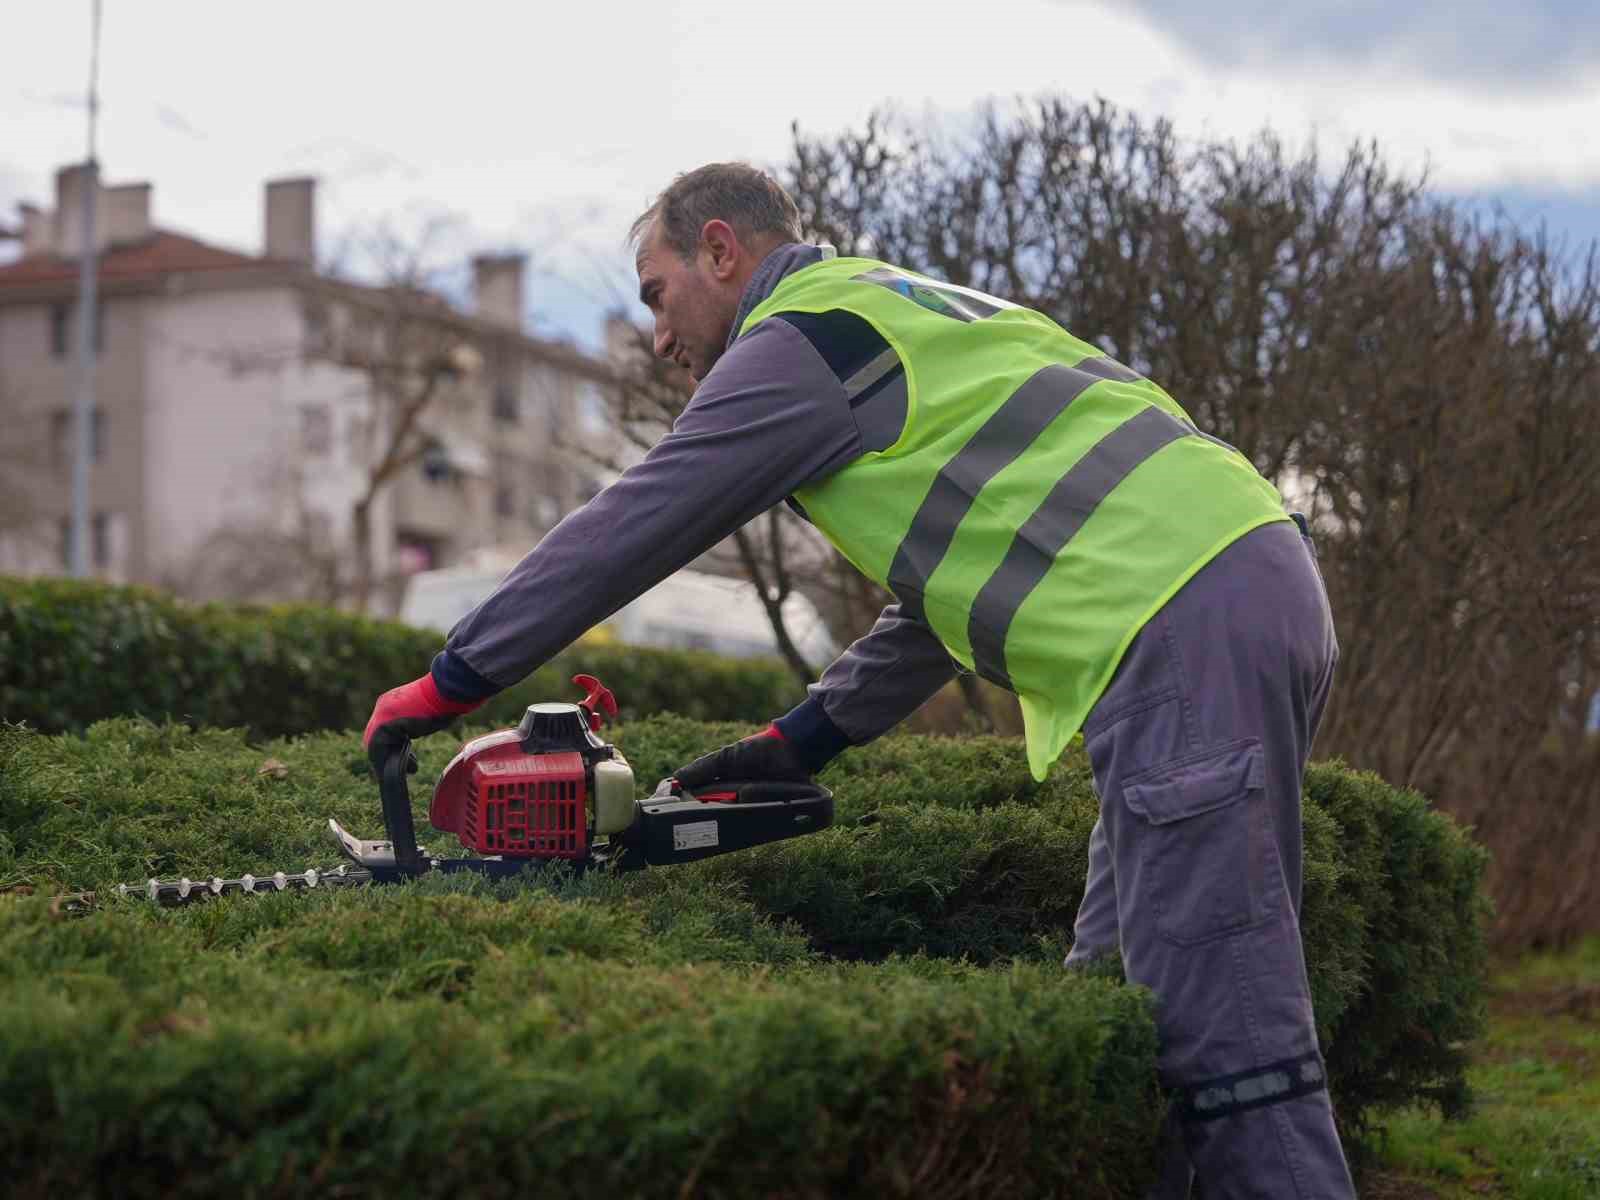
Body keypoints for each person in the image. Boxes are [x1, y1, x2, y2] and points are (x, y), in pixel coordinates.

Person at [363, 162, 1355, 1199]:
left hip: (1181, 620)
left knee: (1227, 1048)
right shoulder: (883, 310)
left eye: (656, 295)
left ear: (719, 251)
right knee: (1124, 1007)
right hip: (1227, 585)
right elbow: (950, 585)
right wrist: (803, 739)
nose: (657, 337)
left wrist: (451, 680)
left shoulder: (795, 343)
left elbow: (633, 526)